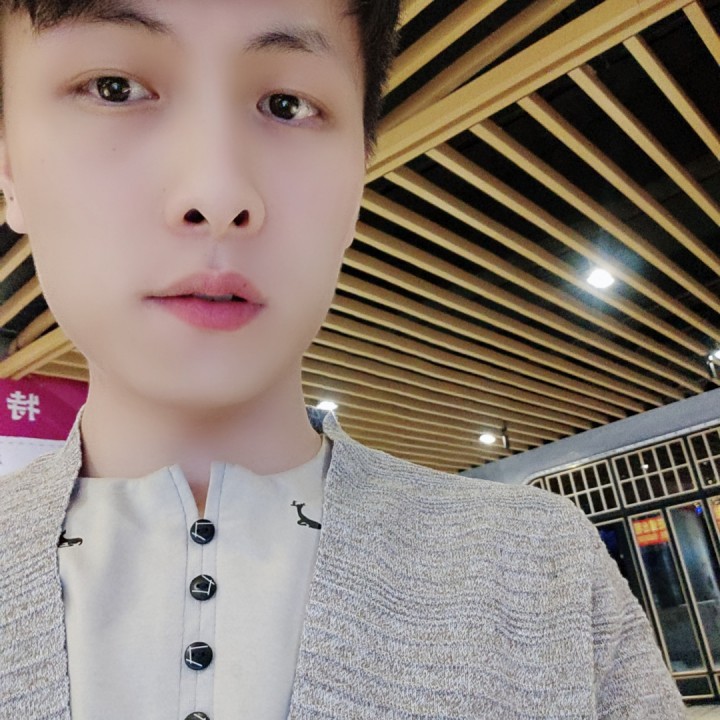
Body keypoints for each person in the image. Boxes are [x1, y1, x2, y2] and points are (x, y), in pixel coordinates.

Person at [0, 1, 687, 718]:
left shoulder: (539, 568)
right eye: (114, 88)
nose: (218, 195)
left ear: (358, 178)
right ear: (9, 163)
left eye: (287, 104)